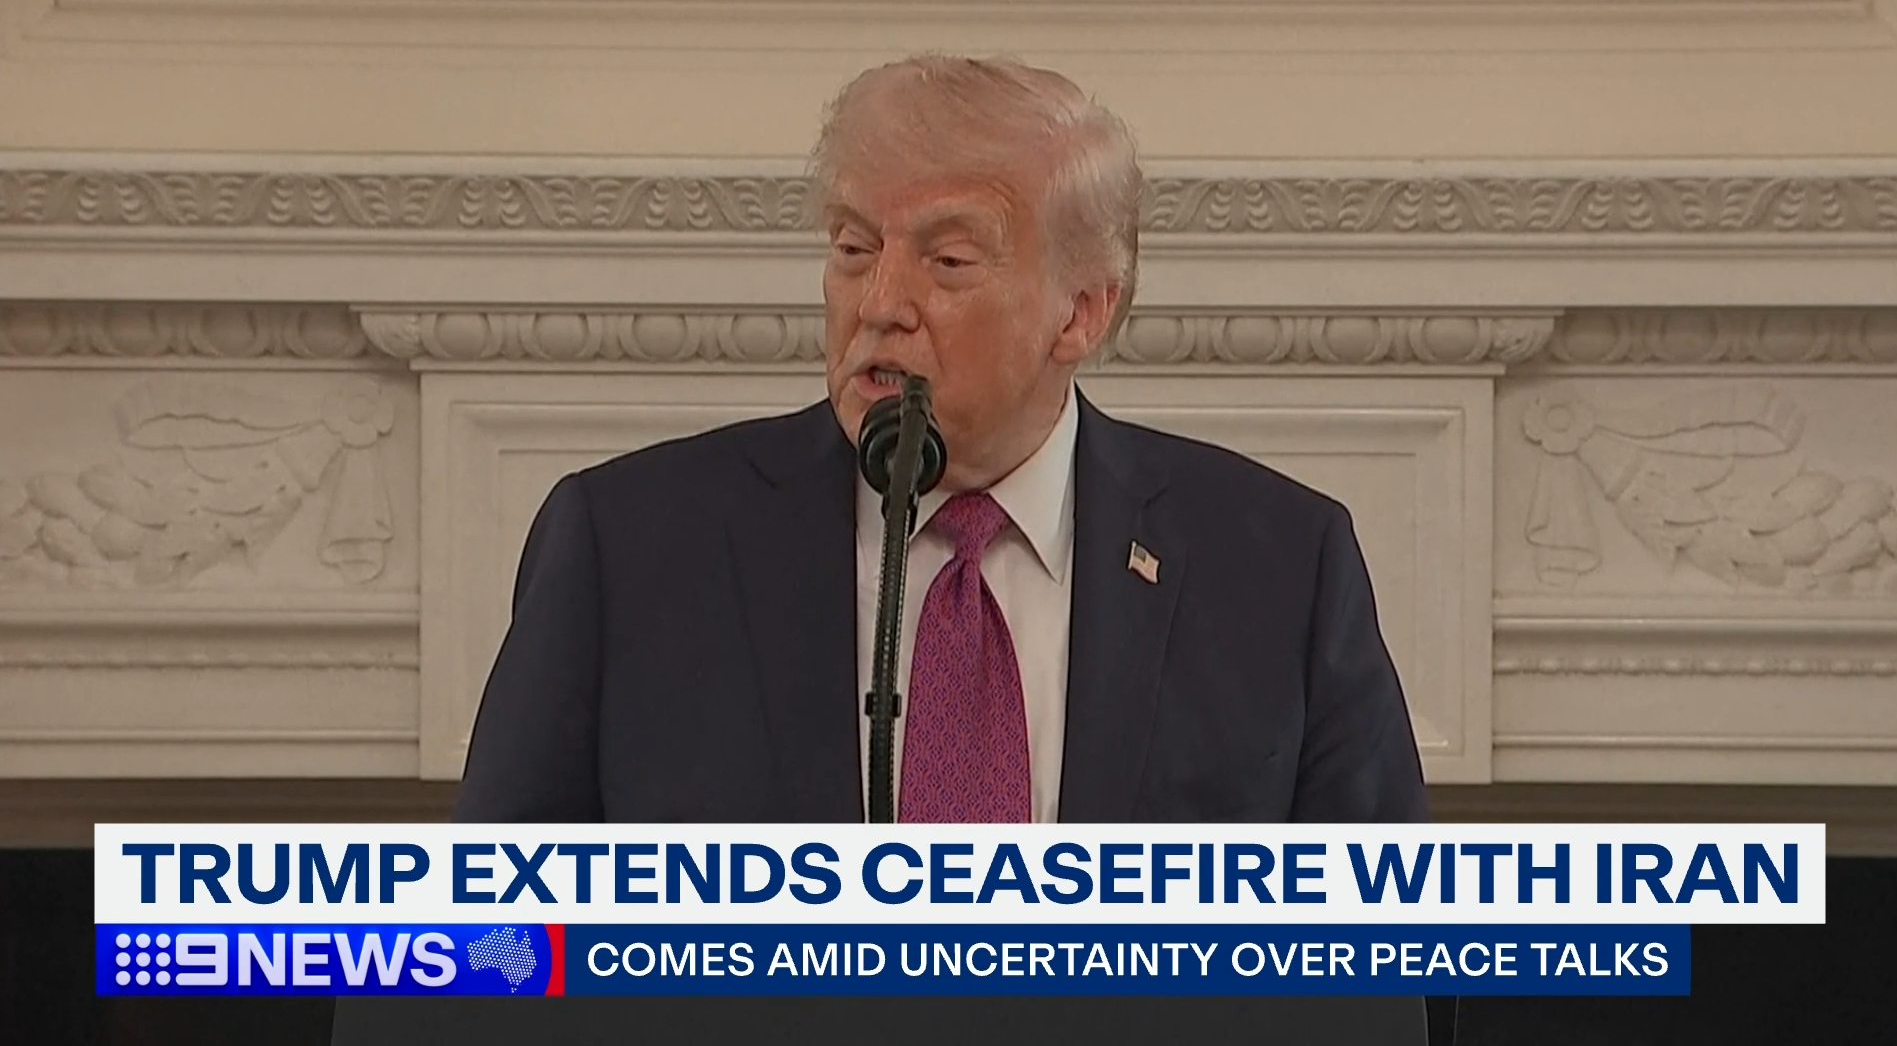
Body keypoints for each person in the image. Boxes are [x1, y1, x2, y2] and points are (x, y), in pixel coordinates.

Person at [453, 55, 1427, 825]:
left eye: (948, 261)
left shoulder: (1278, 566)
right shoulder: (627, 547)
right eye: (853, 249)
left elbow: (1387, 961)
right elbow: (485, 950)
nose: (880, 304)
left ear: (1081, 312)